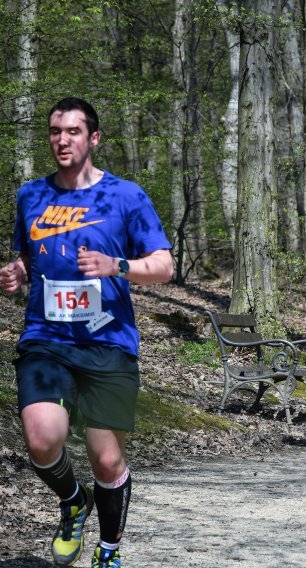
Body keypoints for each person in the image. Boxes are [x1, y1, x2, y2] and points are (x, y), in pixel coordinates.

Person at [0, 98, 173, 568]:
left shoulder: (126, 196)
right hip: (46, 339)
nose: (62, 140)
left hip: (108, 342)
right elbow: (30, 258)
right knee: (40, 438)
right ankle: (73, 501)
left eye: (73, 131)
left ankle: (108, 550)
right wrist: (17, 271)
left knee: (107, 462)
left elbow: (164, 266)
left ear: (93, 138)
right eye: (56, 131)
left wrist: (117, 266)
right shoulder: (31, 196)